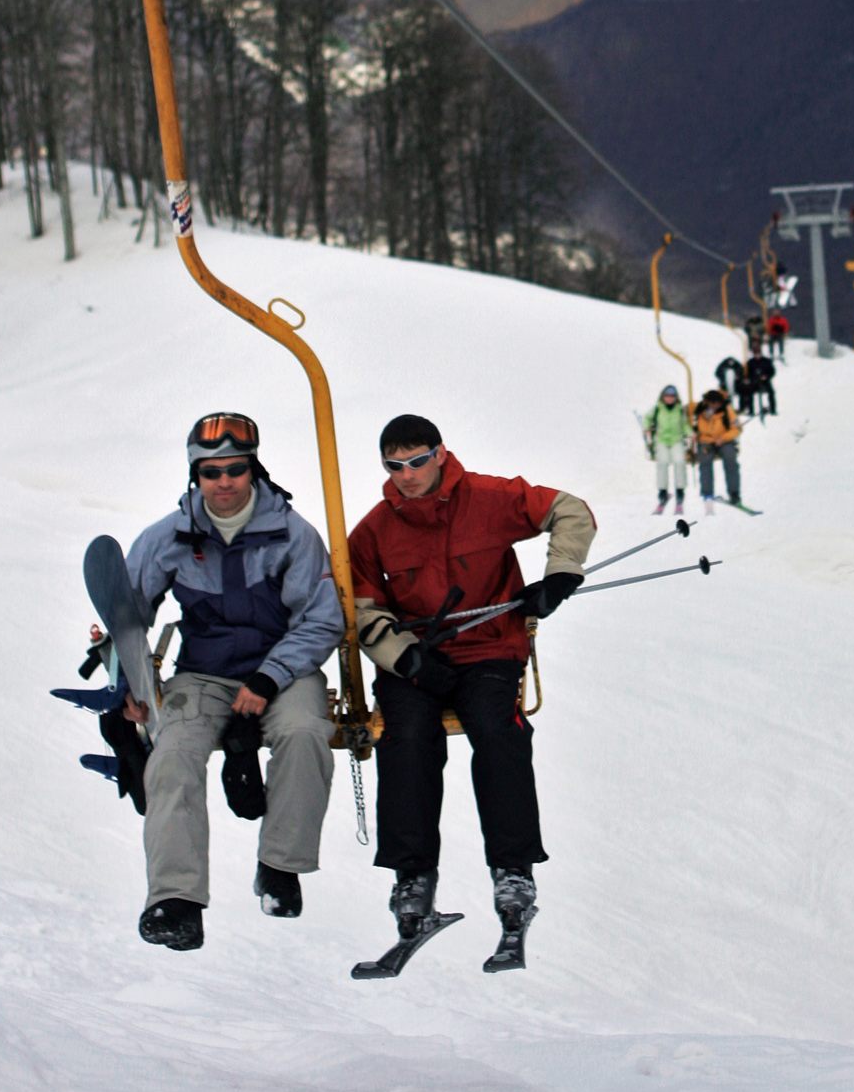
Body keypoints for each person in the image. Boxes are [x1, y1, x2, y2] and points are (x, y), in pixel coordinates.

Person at [349, 415, 596, 970]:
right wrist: (404, 656)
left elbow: (570, 510)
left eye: (417, 461)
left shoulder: (488, 497)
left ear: (440, 455)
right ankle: (413, 879)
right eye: (395, 466)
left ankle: (513, 872)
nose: (408, 476)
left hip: (489, 647)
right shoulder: (373, 531)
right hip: (416, 657)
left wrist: (560, 573)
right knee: (406, 736)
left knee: (496, 728)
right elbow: (363, 609)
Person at [124, 412, 345, 953]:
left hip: (283, 670)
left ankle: (280, 866)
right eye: (211, 472)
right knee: (173, 752)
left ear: (253, 470)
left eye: (235, 470)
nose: (224, 483)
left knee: (304, 732)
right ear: (195, 477)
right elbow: (127, 614)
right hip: (203, 674)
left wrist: (269, 678)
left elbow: (322, 618)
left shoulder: (291, 534)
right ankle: (175, 900)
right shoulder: (168, 538)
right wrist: (126, 682)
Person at [692, 387, 744, 506]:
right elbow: (698, 427)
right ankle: (707, 493)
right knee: (705, 459)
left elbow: (737, 428)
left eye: (718, 404)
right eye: (713, 403)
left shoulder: (727, 410)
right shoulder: (700, 410)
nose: (715, 406)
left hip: (724, 439)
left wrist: (723, 438)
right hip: (706, 440)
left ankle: (734, 492)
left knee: (730, 459)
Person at [644, 383, 692, 512]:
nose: (670, 398)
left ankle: (680, 491)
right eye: (667, 396)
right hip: (661, 441)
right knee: (662, 463)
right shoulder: (658, 409)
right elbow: (647, 418)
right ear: (663, 397)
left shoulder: (680, 410)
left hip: (676, 440)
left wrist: (691, 434)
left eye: (672, 396)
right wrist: (646, 428)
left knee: (679, 461)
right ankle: (662, 492)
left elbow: (685, 425)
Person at [742, 342, 778, 420]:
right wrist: (750, 379)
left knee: (771, 392)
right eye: (755, 353)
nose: (757, 355)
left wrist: (766, 377)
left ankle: (773, 409)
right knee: (748, 392)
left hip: (765, 382)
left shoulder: (766, 361)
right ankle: (751, 410)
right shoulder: (750, 362)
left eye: (758, 353)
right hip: (754, 382)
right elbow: (747, 374)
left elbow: (772, 372)